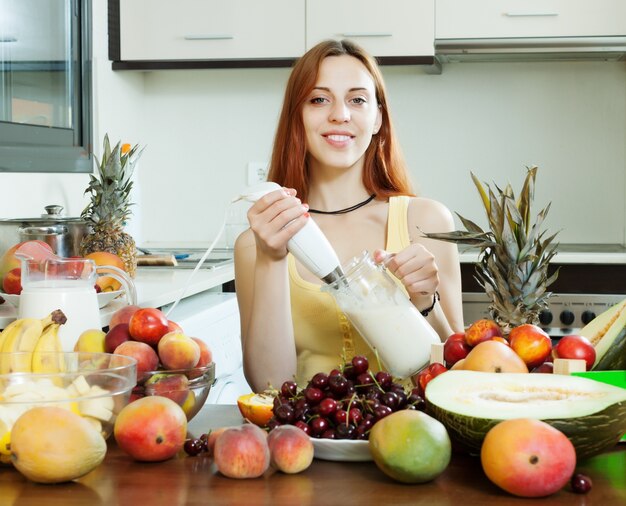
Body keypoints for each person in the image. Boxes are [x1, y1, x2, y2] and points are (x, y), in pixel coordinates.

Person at [234, 39, 464, 393]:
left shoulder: (426, 221)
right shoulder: (258, 242)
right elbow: (269, 385)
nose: (340, 114)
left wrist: (425, 303)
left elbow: (456, 372)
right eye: (319, 99)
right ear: (297, 117)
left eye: (357, 99)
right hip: (310, 440)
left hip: (413, 437)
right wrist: (270, 258)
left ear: (378, 119)